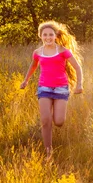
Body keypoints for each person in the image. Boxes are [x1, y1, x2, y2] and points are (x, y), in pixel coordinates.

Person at [20, 21, 83, 157]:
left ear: (55, 36)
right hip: (44, 88)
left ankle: (56, 115)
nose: (47, 37)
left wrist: (79, 84)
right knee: (45, 120)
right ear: (40, 36)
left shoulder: (63, 51)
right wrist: (25, 81)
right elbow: (33, 66)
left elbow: (77, 67)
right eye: (45, 35)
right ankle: (49, 152)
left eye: (50, 34)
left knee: (59, 121)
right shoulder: (37, 52)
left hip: (61, 89)